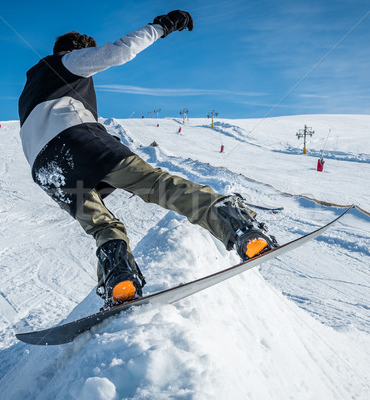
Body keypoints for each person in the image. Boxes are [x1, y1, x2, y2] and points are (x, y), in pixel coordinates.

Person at [18, 10, 276, 309]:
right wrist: (162, 26)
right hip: (75, 140)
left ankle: (119, 278)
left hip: (46, 169)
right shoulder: (67, 61)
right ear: (76, 50)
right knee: (157, 185)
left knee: (101, 226)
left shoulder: (31, 87)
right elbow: (119, 51)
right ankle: (239, 228)